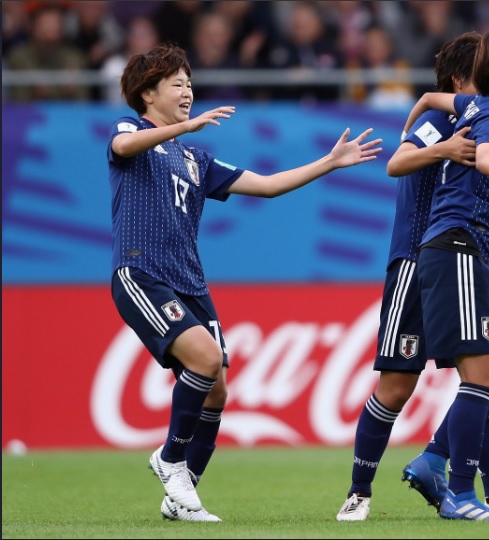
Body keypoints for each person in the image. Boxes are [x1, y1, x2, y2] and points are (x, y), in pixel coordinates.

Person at [108, 43, 381, 522]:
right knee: (207, 359)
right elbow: (122, 147)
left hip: (188, 281)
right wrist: (182, 128)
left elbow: (268, 184)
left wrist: (328, 163)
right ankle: (169, 459)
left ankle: (182, 496)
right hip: (141, 273)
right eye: (177, 84)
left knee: (216, 390)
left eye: (190, 83)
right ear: (148, 94)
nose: (188, 91)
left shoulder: (194, 157)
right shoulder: (132, 130)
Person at [336, 31, 489, 523]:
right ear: (468, 77)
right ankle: (361, 491)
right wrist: (444, 146)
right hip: (420, 259)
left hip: (465, 252)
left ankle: (481, 484)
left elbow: (469, 197)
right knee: (398, 386)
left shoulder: (476, 115)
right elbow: (398, 163)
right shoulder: (450, 122)